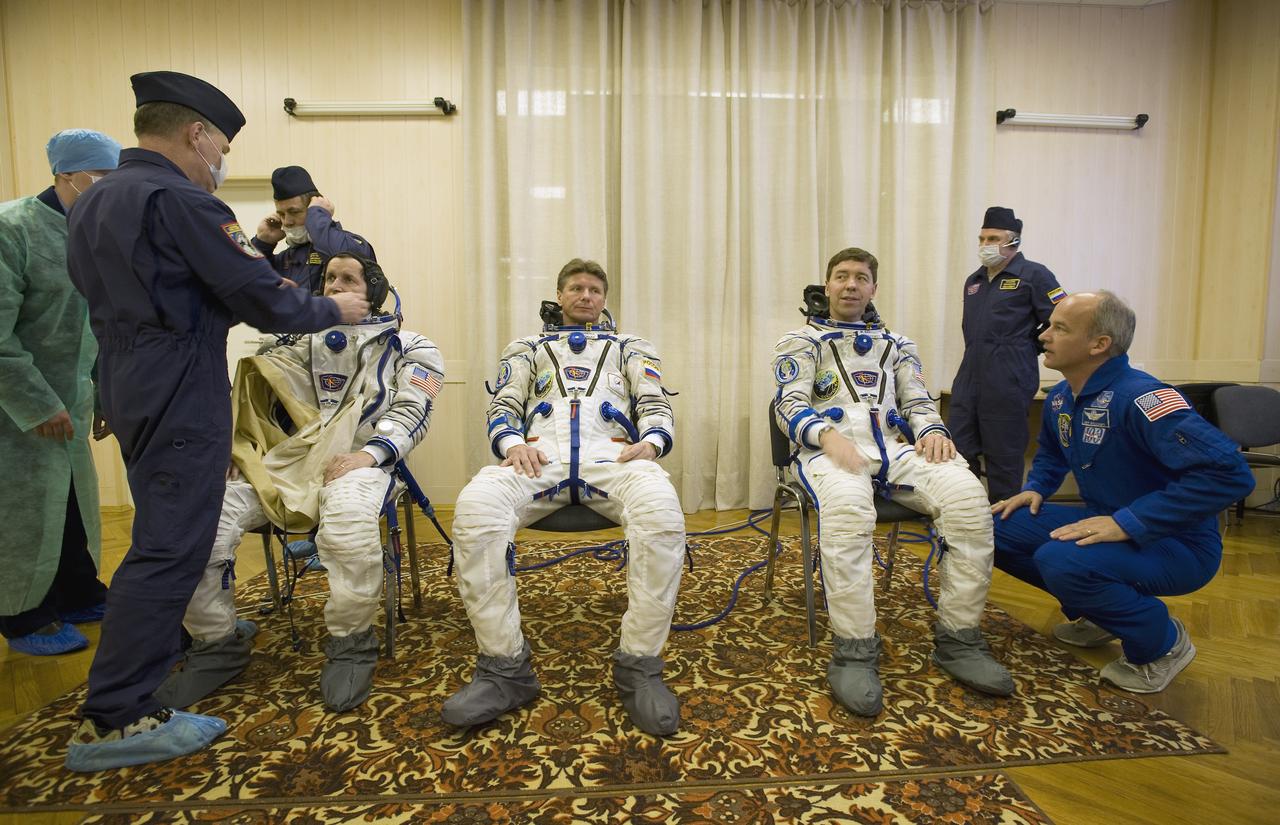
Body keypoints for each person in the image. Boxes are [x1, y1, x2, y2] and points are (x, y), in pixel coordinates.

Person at [64, 71, 369, 772]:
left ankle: (135, 672)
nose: (221, 160)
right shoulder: (183, 199)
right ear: (196, 133)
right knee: (172, 545)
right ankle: (119, 713)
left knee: (159, 531)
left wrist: (253, 252)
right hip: (179, 378)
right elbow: (263, 302)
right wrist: (336, 311)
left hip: (128, 374)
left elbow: (165, 289)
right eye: (221, 145)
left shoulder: (95, 197)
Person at [155, 254, 444, 713]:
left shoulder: (410, 346)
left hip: (364, 462)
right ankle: (216, 643)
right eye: (329, 278)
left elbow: (413, 411)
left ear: (375, 290)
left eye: (348, 279)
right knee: (201, 523)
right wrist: (238, 449)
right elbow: (251, 396)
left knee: (347, 530)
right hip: (286, 462)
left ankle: (351, 643)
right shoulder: (291, 342)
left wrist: (368, 455)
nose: (335, 286)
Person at [442, 258, 686, 736]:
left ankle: (639, 666)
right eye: (576, 288)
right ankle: (504, 669)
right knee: (475, 510)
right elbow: (504, 405)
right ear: (559, 296)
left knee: (661, 514)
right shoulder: (526, 348)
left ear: (605, 299)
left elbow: (656, 404)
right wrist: (511, 444)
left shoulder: (631, 348)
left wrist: (652, 443)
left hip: (614, 457)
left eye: (596, 289)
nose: (587, 296)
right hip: (538, 455)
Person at [772, 247, 1014, 717]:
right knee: (847, 513)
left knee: (967, 498)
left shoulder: (898, 344)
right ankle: (855, 648)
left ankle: (959, 639)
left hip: (895, 449)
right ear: (827, 286)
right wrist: (825, 434)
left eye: (860, 278)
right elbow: (788, 404)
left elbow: (919, 401)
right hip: (829, 449)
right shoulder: (798, 342)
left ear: (873, 289)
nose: (850, 285)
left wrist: (932, 432)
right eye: (841, 277)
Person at [992, 291, 1253, 693]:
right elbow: (1050, 451)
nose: (1044, 336)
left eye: (1059, 328)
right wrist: (1037, 488)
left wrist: (1129, 522)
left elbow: (1230, 473)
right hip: (1108, 524)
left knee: (1060, 559)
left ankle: (1162, 643)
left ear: (1100, 344)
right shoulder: (1060, 396)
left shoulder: (1144, 398)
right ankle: (1102, 613)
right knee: (994, 528)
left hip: (1177, 543)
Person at [0, 129, 120, 657]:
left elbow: (98, 324)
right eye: (101, 177)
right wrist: (37, 402)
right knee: (23, 511)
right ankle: (22, 615)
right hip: (16, 409)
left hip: (73, 397)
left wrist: (103, 394)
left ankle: (77, 591)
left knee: (72, 504)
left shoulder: (95, 232)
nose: (108, 188)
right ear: (66, 174)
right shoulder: (12, 229)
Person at [948, 207, 1066, 503]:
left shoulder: (1034, 275)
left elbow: (1062, 318)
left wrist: (1029, 347)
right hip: (969, 378)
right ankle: (966, 520)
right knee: (958, 455)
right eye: (982, 239)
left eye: (993, 238)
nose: (986, 245)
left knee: (1003, 459)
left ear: (1013, 241)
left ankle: (1004, 535)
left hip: (1008, 380)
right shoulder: (974, 281)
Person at [253, 165, 375, 294]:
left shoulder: (350, 244)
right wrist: (262, 243)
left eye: (294, 212)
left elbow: (344, 259)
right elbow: (246, 278)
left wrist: (318, 217)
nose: (287, 222)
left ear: (313, 208)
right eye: (282, 214)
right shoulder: (284, 259)